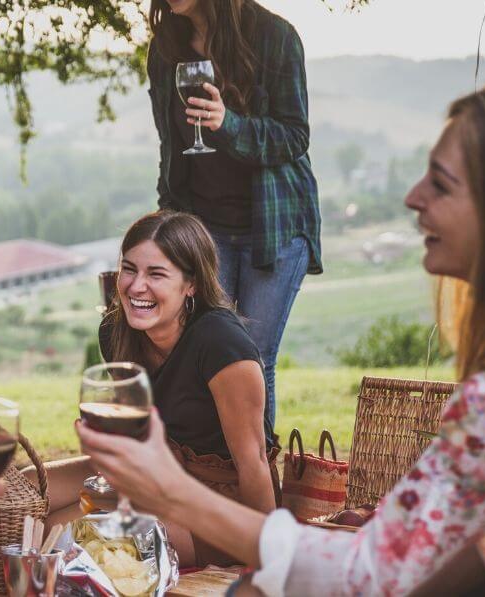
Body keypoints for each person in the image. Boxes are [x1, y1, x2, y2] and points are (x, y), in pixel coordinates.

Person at [78, 77, 485, 595]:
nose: (413, 197)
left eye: (440, 184)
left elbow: (368, 574)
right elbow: (465, 559)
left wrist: (173, 494)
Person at [39, 211, 278, 567]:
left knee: (73, 539)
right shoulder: (115, 332)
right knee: (24, 497)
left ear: (191, 284)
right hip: (151, 474)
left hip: (219, 502)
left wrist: (267, 563)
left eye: (156, 274)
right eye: (130, 269)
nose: (136, 286)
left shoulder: (221, 343)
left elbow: (254, 462)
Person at [146, 0, 321, 435]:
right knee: (205, 349)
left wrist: (229, 124)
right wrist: (168, 219)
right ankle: (211, 471)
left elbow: (295, 135)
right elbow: (171, 144)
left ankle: (256, 475)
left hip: (274, 228)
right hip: (205, 229)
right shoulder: (165, 47)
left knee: (255, 355)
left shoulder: (274, 37)